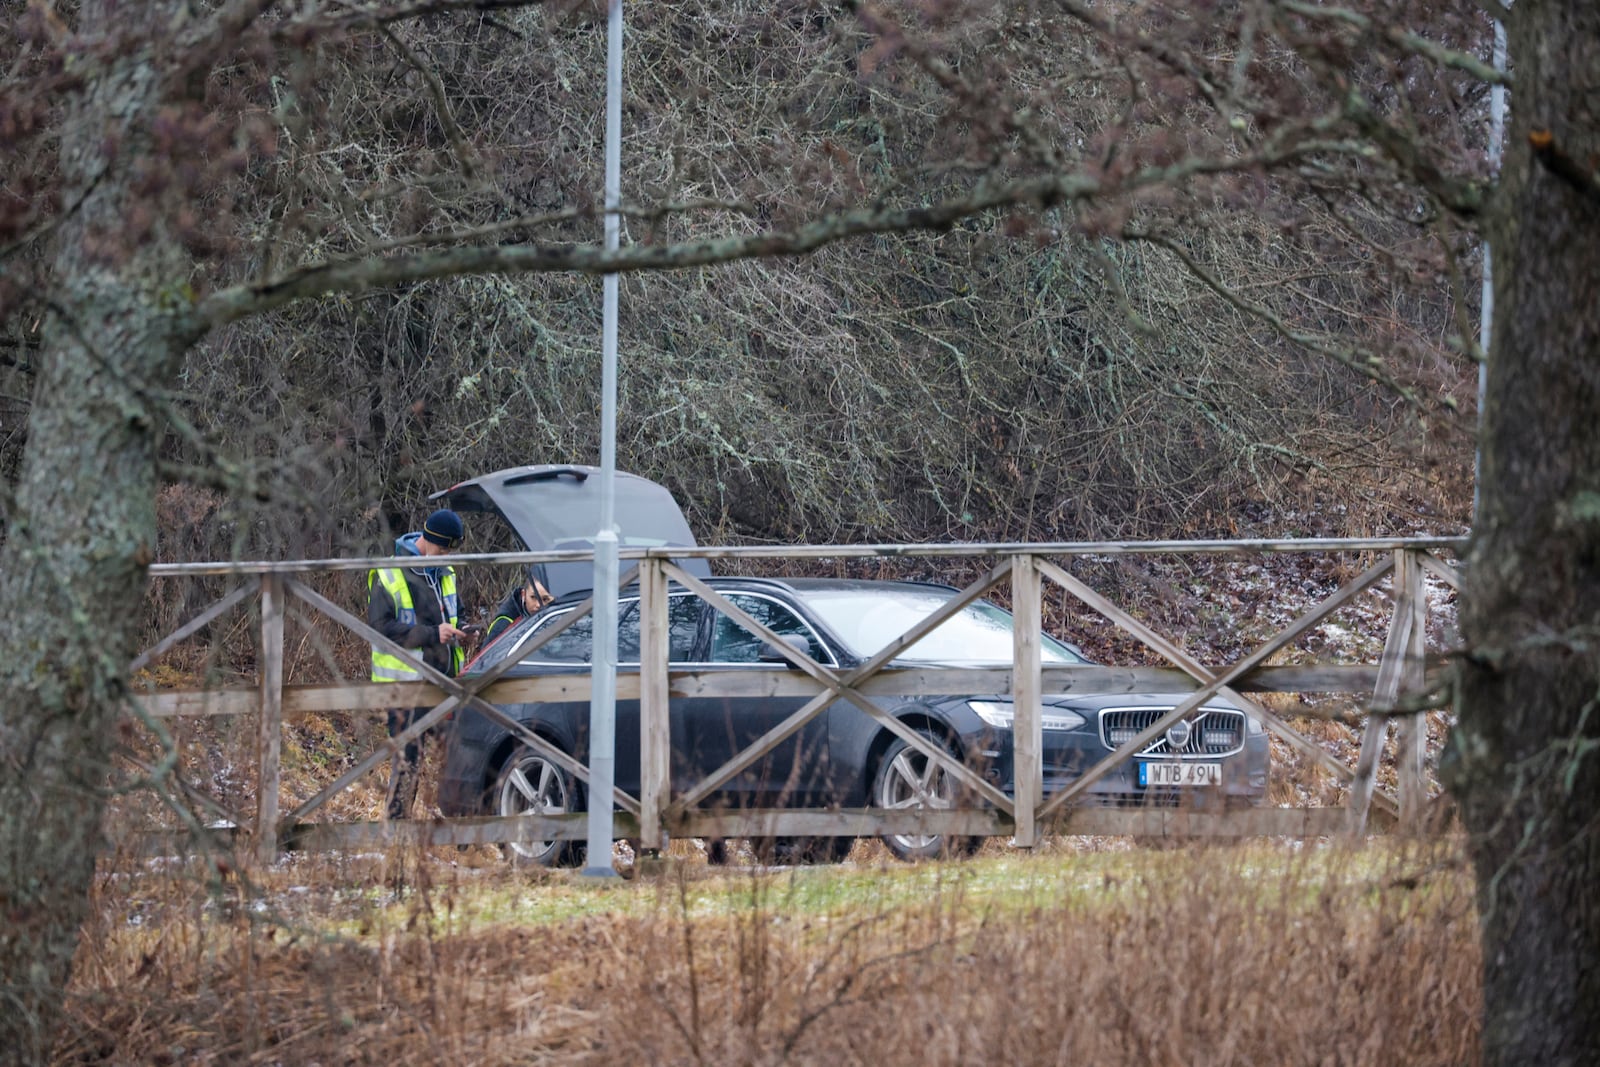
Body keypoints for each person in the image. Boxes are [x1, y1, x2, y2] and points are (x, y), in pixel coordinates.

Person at [368, 508, 470, 820]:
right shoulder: (390, 574)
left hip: (443, 680)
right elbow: (379, 628)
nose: (446, 555)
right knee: (407, 758)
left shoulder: (446, 572)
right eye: (442, 548)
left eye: (450, 550)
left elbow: (457, 612)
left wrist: (463, 629)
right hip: (404, 685)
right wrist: (432, 634)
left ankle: (459, 830)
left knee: (458, 752)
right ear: (428, 539)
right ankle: (396, 828)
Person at [484, 566, 554, 641]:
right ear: (523, 594)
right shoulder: (504, 624)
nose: (538, 605)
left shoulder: (559, 616)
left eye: (545, 599)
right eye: (533, 597)